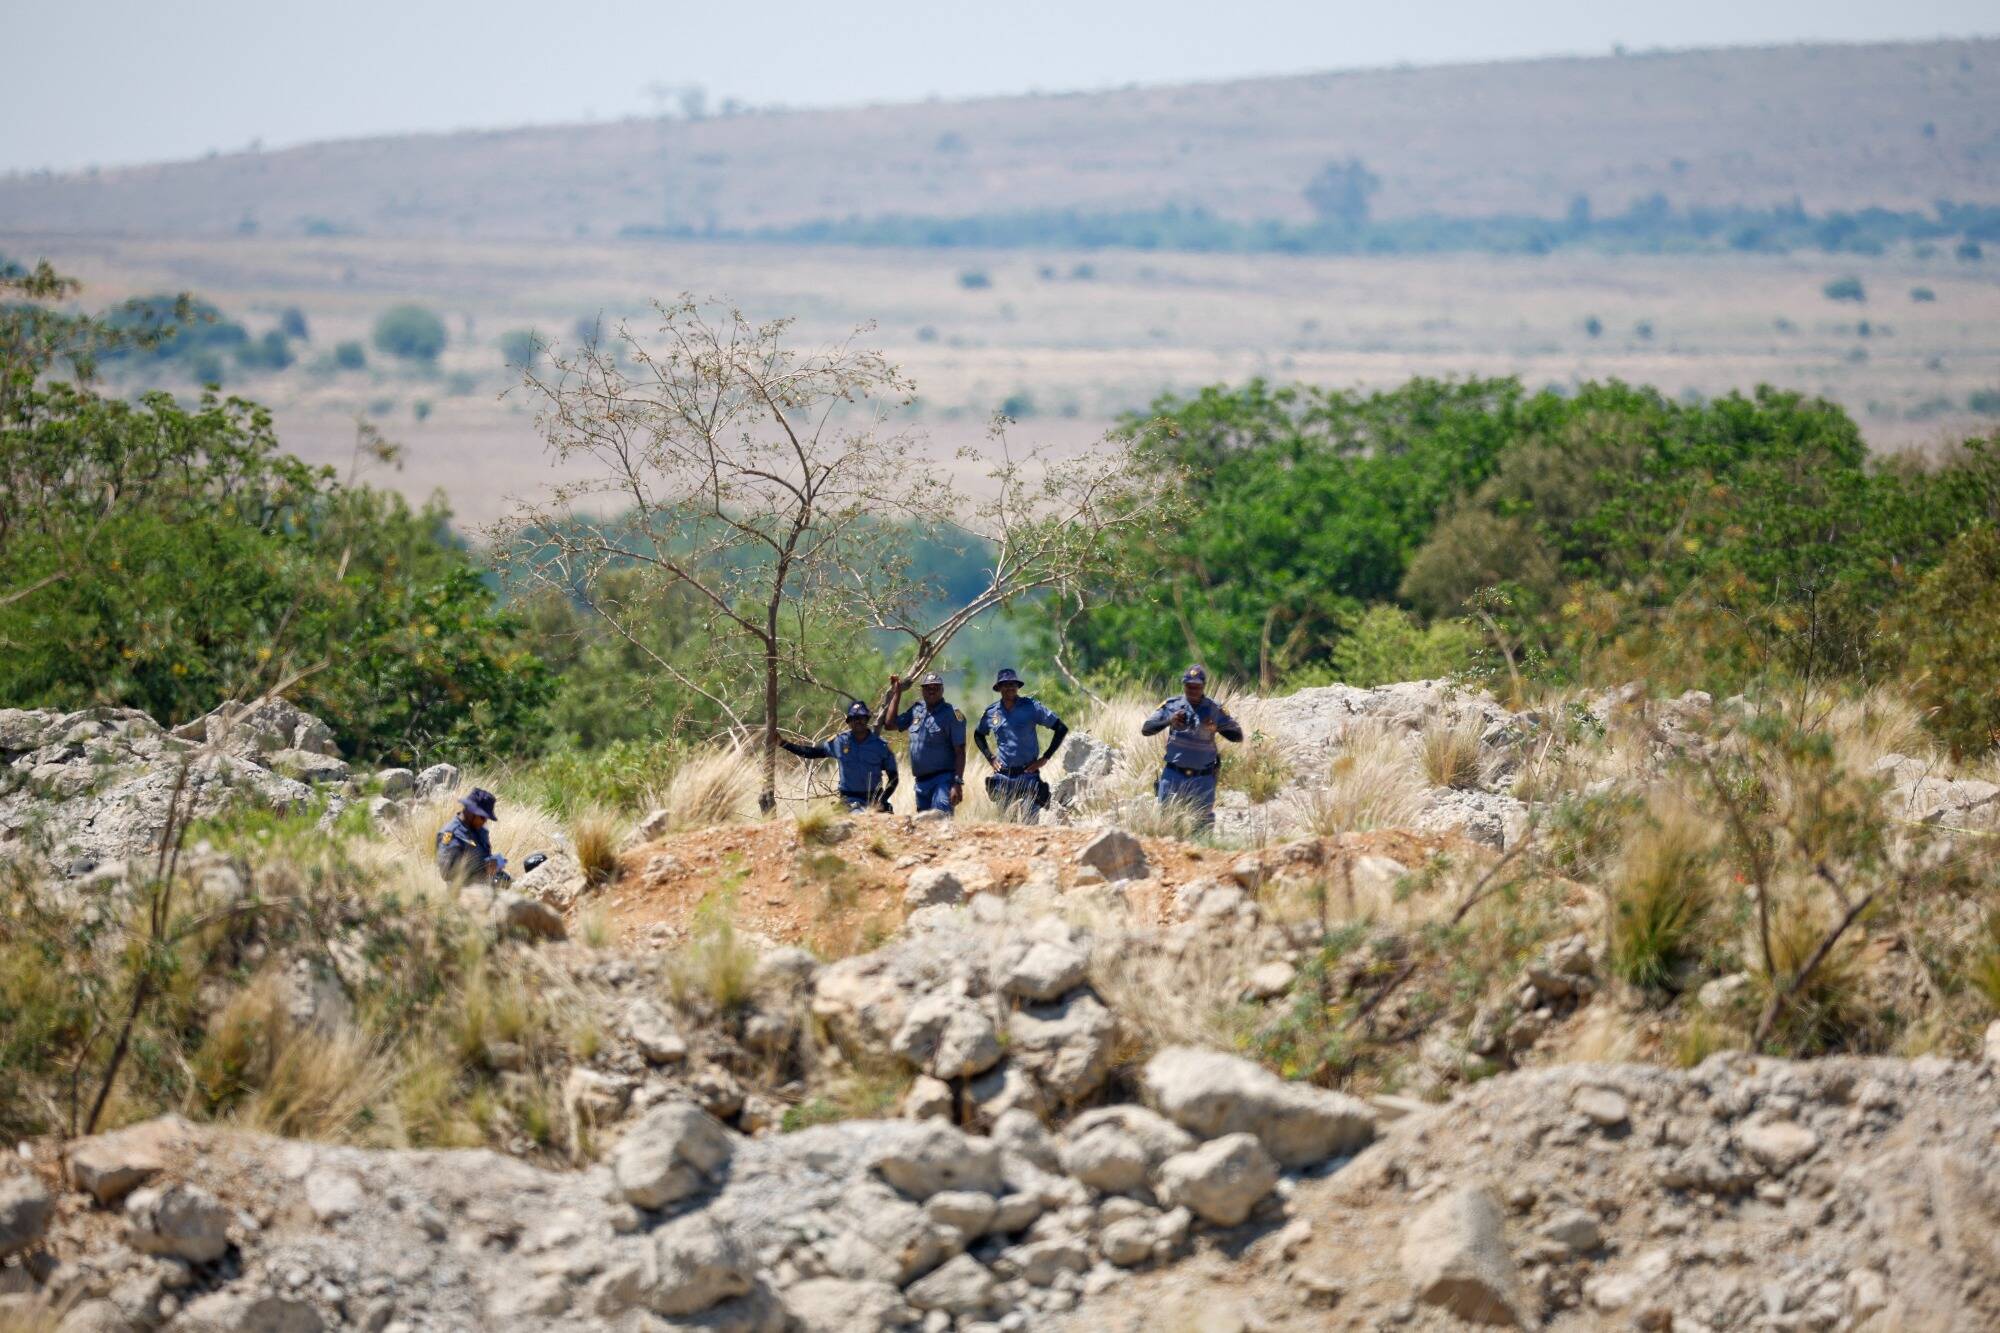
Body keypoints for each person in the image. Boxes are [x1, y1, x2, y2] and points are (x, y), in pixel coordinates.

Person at [1140, 665, 1243, 830]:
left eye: (1197, 687)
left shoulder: (1215, 708)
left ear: (1203, 687)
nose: (1192, 691)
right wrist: (1169, 721)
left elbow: (1237, 736)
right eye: (1189, 686)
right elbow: (1146, 729)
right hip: (1174, 776)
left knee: (1202, 829)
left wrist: (1217, 728)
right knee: (1168, 826)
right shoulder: (1172, 705)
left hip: (1202, 778)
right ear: (1184, 685)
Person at [974, 668, 1067, 820]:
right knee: (1006, 826)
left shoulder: (1031, 707)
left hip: (1028, 776)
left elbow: (1061, 728)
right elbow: (978, 735)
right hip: (1003, 778)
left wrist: (1045, 758)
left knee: (1030, 824)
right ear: (999, 688)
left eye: (1013, 684)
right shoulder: (992, 712)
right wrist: (990, 757)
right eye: (1005, 684)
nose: (1009, 687)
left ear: (1018, 686)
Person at [781, 701, 900, 812]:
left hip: (874, 800)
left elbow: (893, 778)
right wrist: (783, 743)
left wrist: (882, 800)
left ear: (867, 719)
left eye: (861, 718)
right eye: (854, 718)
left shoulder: (880, 746)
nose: (858, 721)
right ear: (848, 722)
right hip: (849, 800)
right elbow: (811, 752)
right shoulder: (839, 742)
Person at [885, 670, 966, 814]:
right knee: (924, 824)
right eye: (927, 687)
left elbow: (960, 751)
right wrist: (897, 693)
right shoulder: (917, 710)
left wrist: (957, 783)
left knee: (940, 820)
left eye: (935, 687)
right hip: (921, 783)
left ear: (942, 690)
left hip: (943, 780)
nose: (931, 691)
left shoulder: (952, 714)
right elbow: (890, 724)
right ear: (922, 690)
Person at [437, 787, 511, 886]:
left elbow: (484, 856)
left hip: (485, 884)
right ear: (471, 811)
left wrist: (492, 864)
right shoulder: (451, 834)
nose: (485, 821)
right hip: (463, 891)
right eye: (482, 817)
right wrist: (481, 868)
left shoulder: (481, 831)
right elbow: (446, 873)